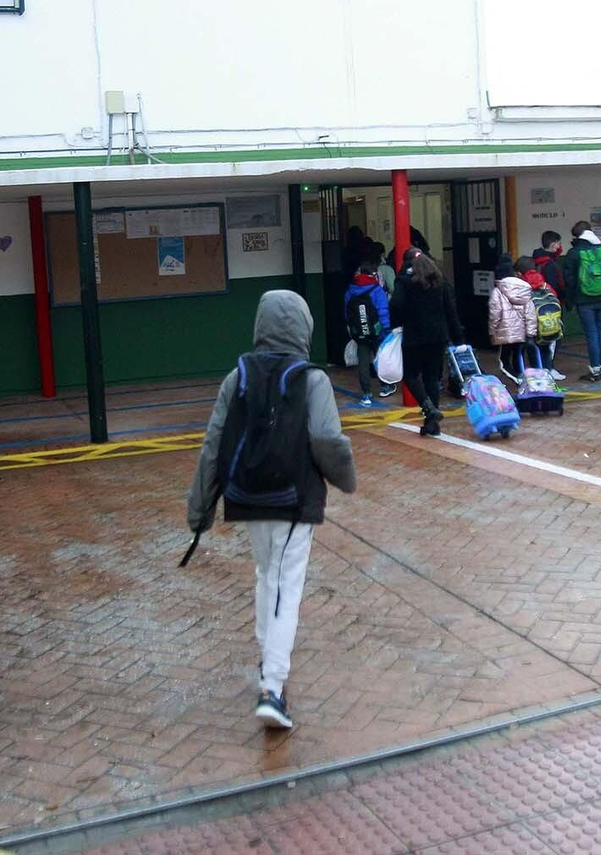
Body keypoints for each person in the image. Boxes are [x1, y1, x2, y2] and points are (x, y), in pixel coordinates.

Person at [186, 291, 357, 729]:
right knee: (286, 589)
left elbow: (213, 444)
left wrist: (201, 506)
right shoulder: (312, 380)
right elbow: (326, 441)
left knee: (268, 578)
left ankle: (269, 666)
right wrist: (346, 478)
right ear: (303, 327)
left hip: (246, 498)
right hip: (293, 500)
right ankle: (272, 689)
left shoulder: (235, 377)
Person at [389, 249, 464, 436]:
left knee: (410, 375)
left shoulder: (404, 281)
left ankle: (428, 408)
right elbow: (451, 311)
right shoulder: (439, 280)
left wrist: (397, 323)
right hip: (439, 337)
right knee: (431, 377)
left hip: (415, 337)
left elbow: (395, 305)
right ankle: (432, 424)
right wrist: (458, 339)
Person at [563, 220, 601, 382]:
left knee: (591, 335)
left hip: (585, 300)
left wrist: (570, 302)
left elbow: (570, 281)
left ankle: (595, 370)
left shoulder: (574, 253)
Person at [343, 258, 391, 406]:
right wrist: (387, 328)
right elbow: (383, 311)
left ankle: (366, 393)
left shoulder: (350, 290)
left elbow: (347, 313)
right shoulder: (377, 290)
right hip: (377, 331)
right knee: (380, 358)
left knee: (363, 361)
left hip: (359, 332)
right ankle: (385, 386)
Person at [516, 255, 565, 380]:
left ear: (518, 272)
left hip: (530, 326)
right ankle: (548, 372)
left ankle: (536, 376)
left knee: (531, 350)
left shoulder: (520, 285)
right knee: (546, 349)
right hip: (548, 323)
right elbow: (555, 297)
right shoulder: (543, 283)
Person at [488, 257, 536, 382]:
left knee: (504, 362)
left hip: (505, 333)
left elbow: (495, 315)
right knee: (518, 356)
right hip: (522, 332)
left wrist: (492, 332)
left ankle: (518, 380)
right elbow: (530, 313)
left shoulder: (497, 292)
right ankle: (522, 379)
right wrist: (530, 333)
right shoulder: (524, 289)